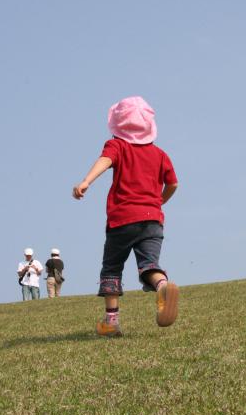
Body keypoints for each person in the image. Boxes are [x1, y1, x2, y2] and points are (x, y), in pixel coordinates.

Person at [72, 96, 179, 337]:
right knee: (148, 266)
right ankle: (163, 286)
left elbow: (105, 160)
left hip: (122, 219)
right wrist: (158, 203)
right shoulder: (160, 154)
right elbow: (173, 183)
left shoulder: (117, 145)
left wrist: (86, 181)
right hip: (153, 220)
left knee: (111, 268)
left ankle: (111, 322)